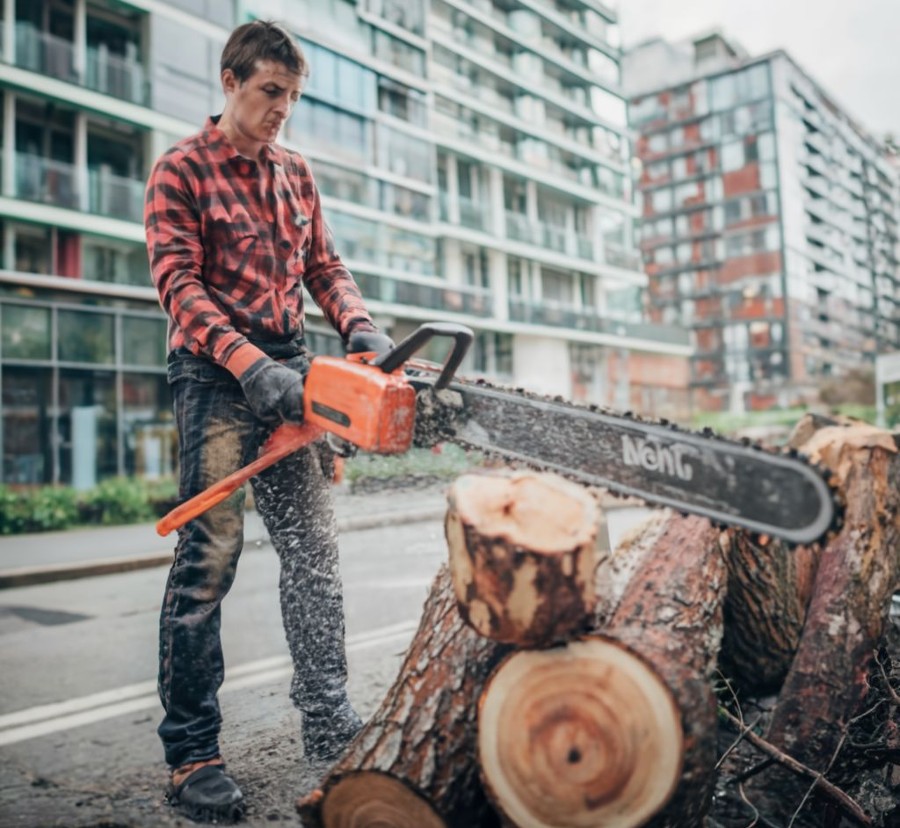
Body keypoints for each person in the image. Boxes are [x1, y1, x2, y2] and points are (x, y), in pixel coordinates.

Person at [144, 20, 392, 823]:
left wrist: (357, 324)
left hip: (291, 368)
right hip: (216, 376)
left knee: (313, 552)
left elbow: (323, 262)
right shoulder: (180, 168)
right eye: (269, 92)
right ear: (230, 81)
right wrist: (252, 369)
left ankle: (327, 716)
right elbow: (178, 284)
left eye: (292, 94)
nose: (282, 108)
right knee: (208, 557)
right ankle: (192, 755)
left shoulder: (295, 171)